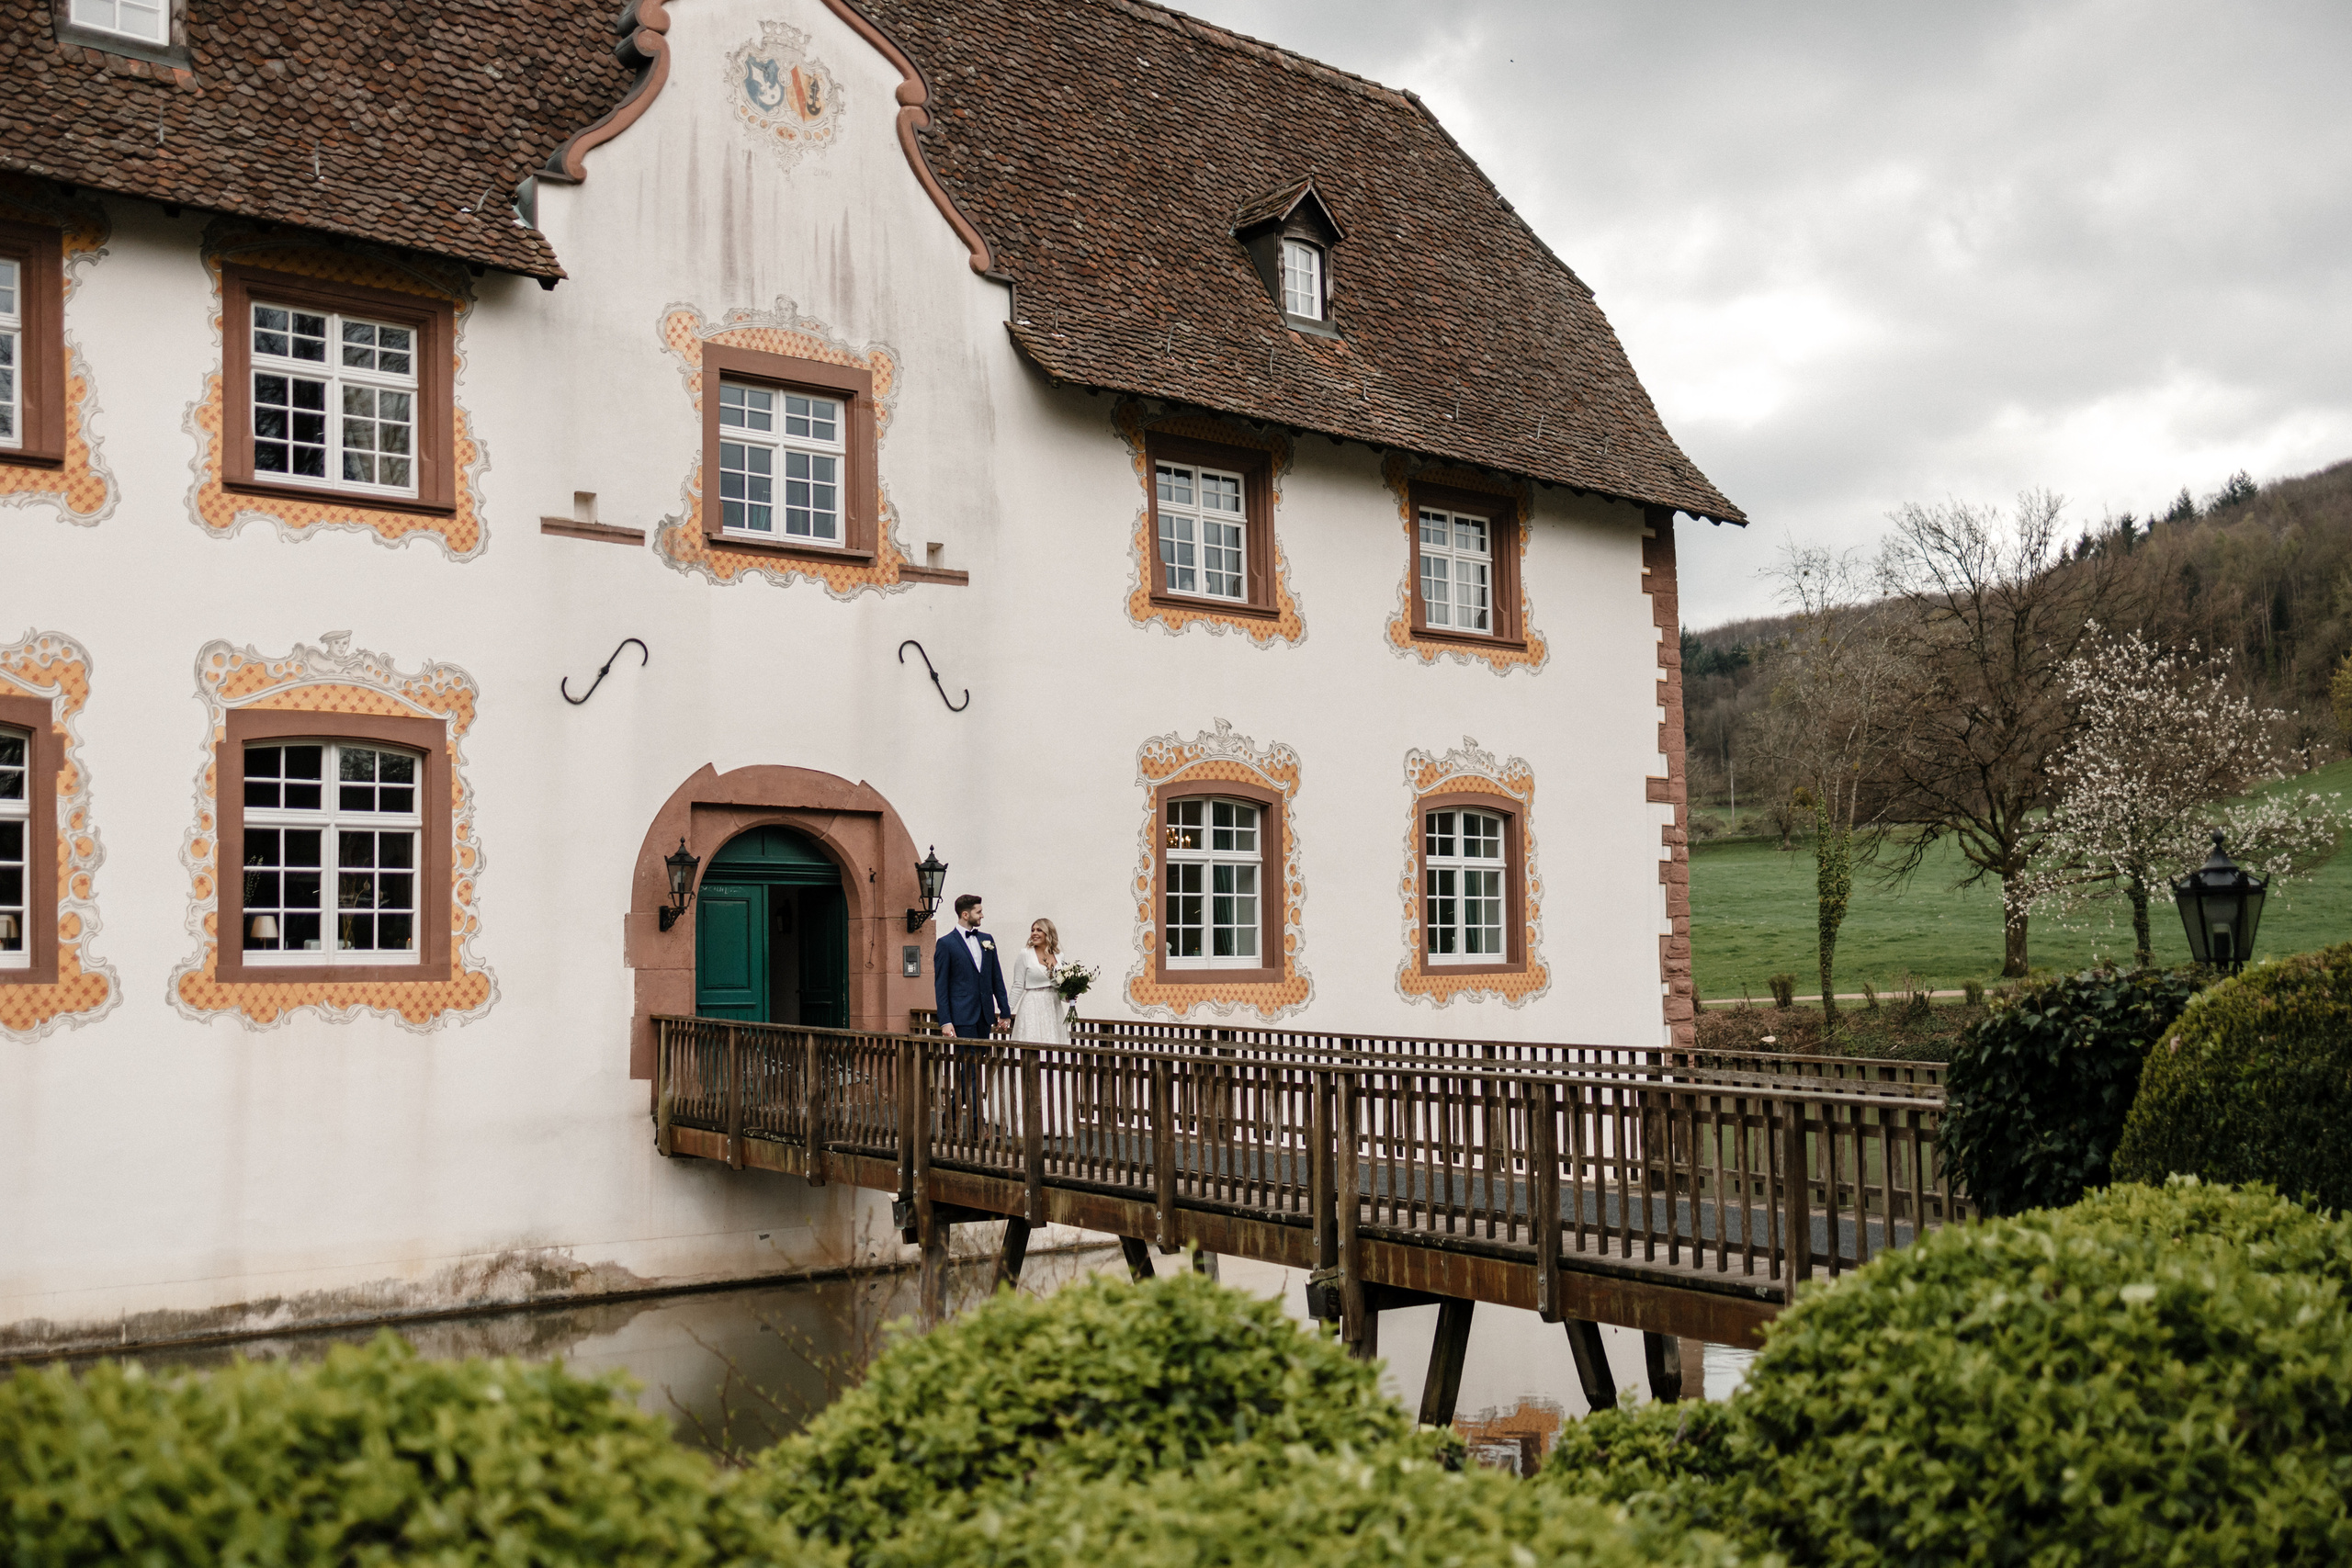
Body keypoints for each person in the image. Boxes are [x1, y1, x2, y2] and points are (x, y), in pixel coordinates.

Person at [933, 894, 1011, 1040]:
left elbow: (996, 977)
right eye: (979, 912)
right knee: (967, 1061)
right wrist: (945, 1021)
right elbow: (941, 985)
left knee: (984, 1059)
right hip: (962, 1015)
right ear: (965, 915)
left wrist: (1005, 1011)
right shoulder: (946, 943)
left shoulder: (987, 939)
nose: (982, 915)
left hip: (985, 1015)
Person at [1007, 917, 1070, 1045]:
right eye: (1032, 930)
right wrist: (1006, 1011)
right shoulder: (1025, 954)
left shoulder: (1059, 956)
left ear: (1048, 933)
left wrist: (1069, 996)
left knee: (1053, 1040)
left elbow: (1059, 984)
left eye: (1039, 930)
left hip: (1053, 1005)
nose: (1034, 933)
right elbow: (1018, 985)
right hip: (1032, 1004)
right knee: (1032, 1040)